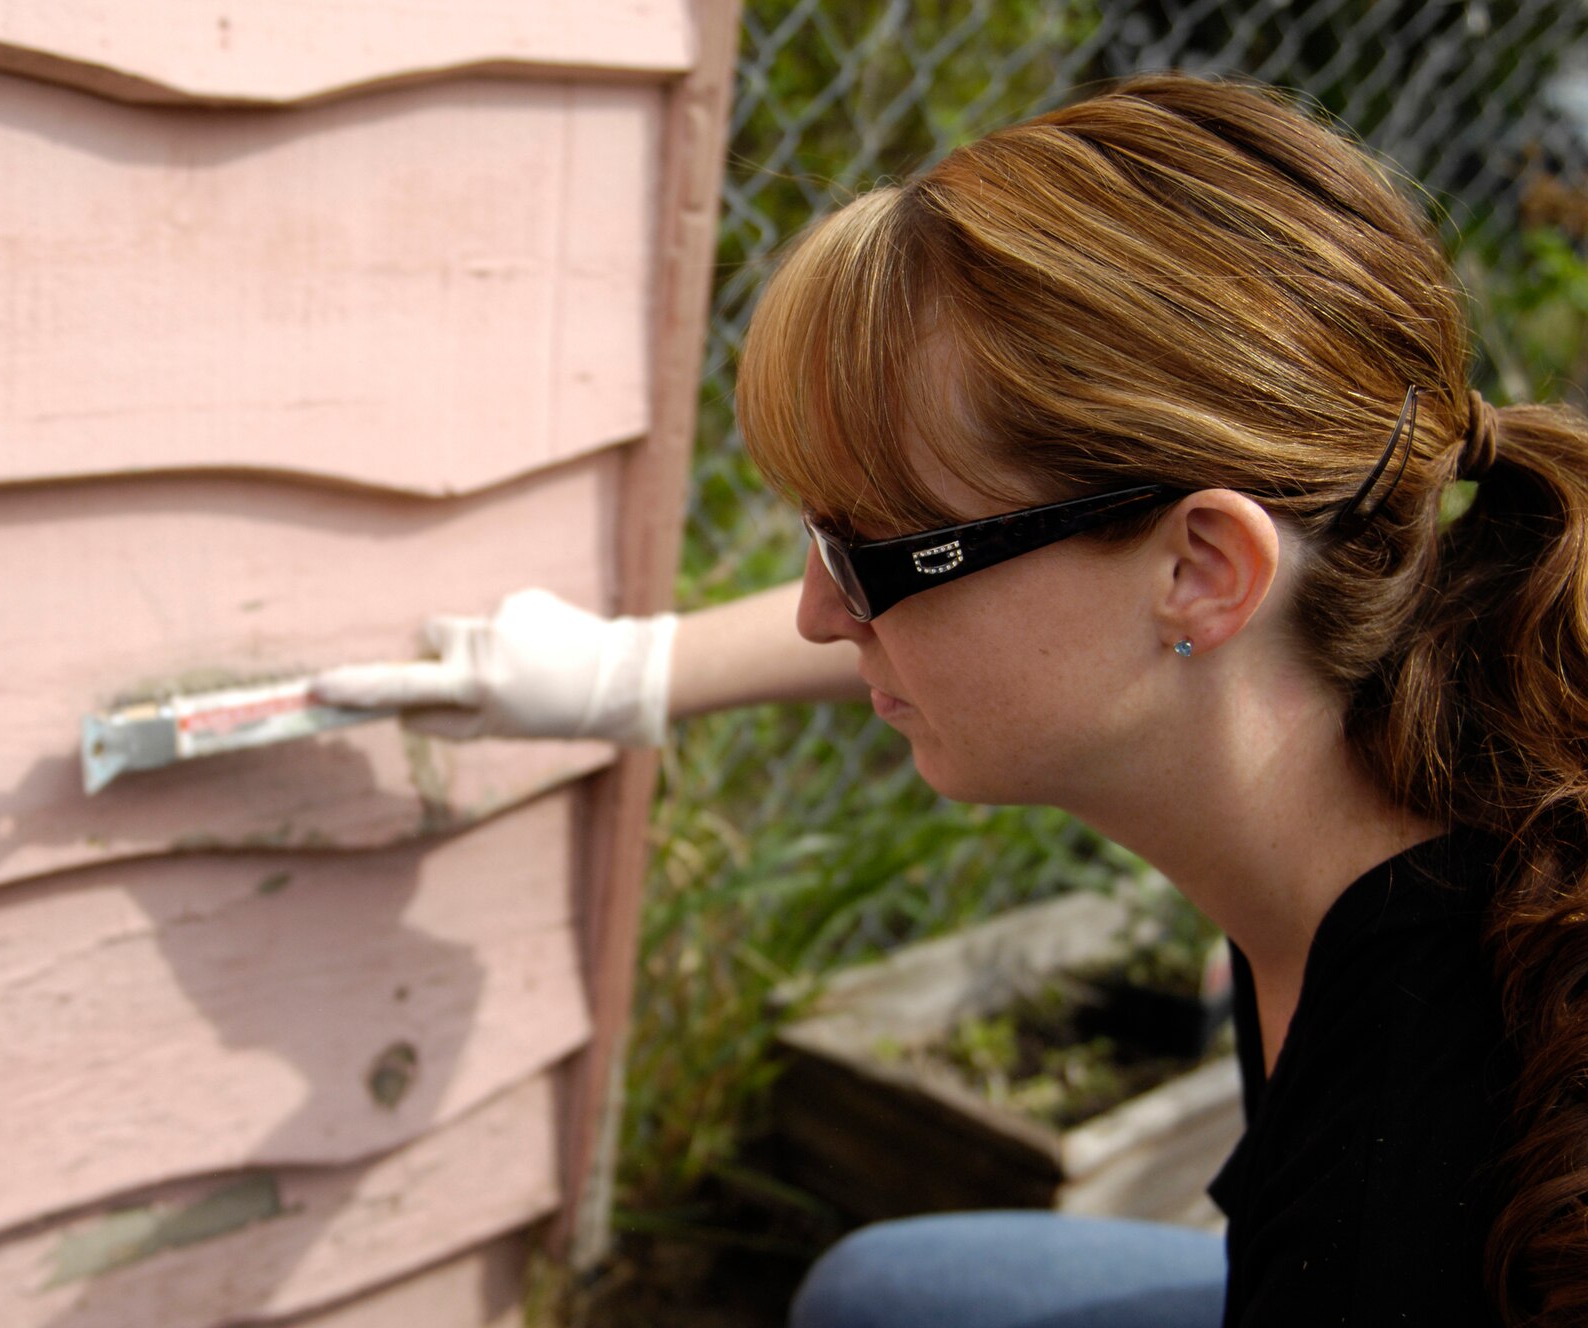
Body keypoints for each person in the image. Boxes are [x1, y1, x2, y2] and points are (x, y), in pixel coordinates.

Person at [315, 73, 1588, 1326]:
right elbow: (985, 592)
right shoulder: (1413, 689)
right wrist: (627, 671)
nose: (822, 611)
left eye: (872, 554)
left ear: (1203, 572)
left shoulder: (1413, 1185)